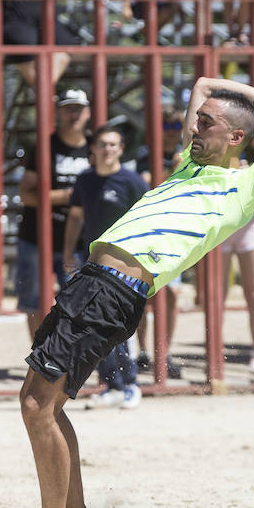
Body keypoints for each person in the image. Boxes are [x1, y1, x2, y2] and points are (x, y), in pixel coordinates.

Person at [8, 76, 254, 508]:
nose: (195, 127)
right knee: (48, 406)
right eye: (197, 120)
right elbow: (203, 81)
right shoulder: (189, 166)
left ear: (236, 137)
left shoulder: (244, 187)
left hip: (110, 293)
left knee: (35, 406)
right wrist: (241, 103)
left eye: (207, 123)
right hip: (91, 285)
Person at [62, 124, 148, 409]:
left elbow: (146, 221)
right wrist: (68, 251)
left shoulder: (132, 181)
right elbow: (75, 217)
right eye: (102, 144)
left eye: (113, 145)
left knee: (117, 327)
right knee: (93, 328)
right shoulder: (85, 180)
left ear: (121, 149)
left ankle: (131, 384)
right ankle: (111, 384)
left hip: (125, 266)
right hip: (92, 264)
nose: (107, 149)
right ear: (93, 150)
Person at [16, 88, 91, 340]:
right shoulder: (45, 146)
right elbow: (26, 194)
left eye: (78, 109)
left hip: (78, 242)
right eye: (69, 108)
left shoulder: (94, 147)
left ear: (88, 113)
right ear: (58, 113)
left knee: (78, 304)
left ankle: (63, 360)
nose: (74, 115)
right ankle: (39, 358)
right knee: (34, 302)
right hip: (37, 238)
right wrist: (71, 196)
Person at [134, 108, 184, 379]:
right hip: (148, 232)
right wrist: (175, 171)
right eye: (168, 125)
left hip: (173, 233)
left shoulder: (186, 152)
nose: (173, 130)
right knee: (143, 295)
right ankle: (143, 351)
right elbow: (149, 190)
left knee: (172, 294)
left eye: (177, 125)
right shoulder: (146, 155)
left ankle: (163, 353)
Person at [220, 180, 254, 378]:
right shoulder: (215, 149)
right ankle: (215, 350)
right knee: (217, 293)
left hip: (249, 217)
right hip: (220, 216)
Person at [0, 0, 77, 89]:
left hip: (45, 13)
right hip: (15, 15)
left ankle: (45, 92)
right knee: (24, 44)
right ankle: (45, 93)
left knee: (65, 43)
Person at [120, 0, 185, 38]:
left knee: (172, 7)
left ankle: (146, 34)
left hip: (153, 9)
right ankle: (146, 35)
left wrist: (181, 22)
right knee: (152, 2)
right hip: (136, 5)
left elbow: (178, 6)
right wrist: (126, 6)